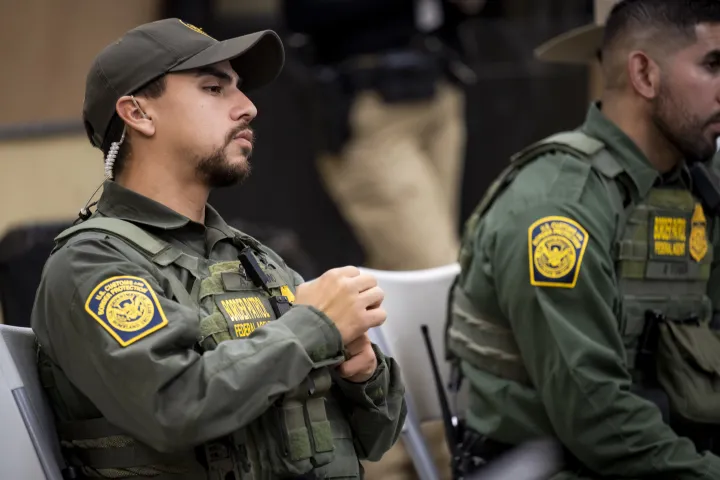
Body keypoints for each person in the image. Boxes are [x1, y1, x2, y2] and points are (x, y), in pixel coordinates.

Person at [31, 18, 407, 480]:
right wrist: (316, 326)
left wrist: (362, 375)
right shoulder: (93, 264)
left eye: (240, 89)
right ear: (139, 113)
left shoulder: (252, 258)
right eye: (214, 88)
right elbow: (174, 406)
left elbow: (376, 440)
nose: (248, 107)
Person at [445, 1, 720, 478]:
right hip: (554, 464)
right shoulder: (556, 210)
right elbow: (597, 419)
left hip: (662, 445)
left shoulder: (694, 182)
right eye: (713, 66)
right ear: (644, 75)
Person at [281, 0, 485, 271]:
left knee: (399, 269)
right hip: (372, 105)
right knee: (434, 271)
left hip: (441, 88)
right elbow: (302, 13)